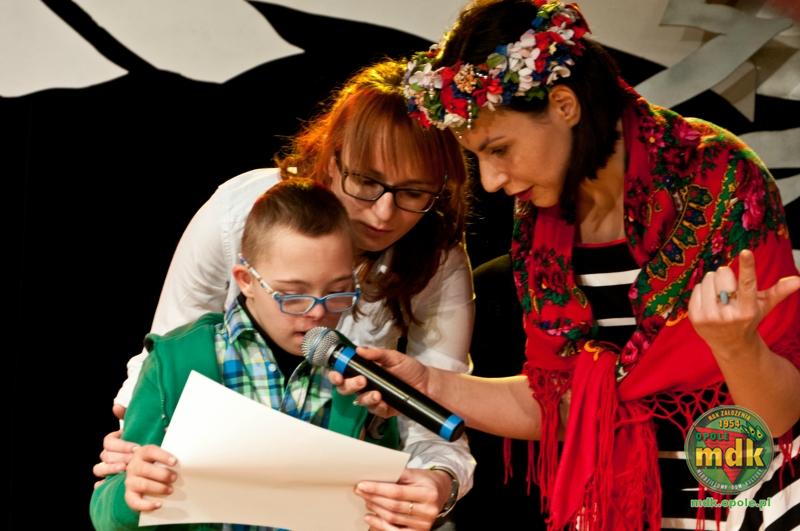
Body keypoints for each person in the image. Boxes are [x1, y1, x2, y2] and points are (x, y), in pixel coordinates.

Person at [337, 1, 800, 530]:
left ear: (564, 105)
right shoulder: (541, 219)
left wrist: (736, 346)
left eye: (499, 149)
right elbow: (557, 405)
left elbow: (779, 414)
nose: (490, 180)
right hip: (621, 504)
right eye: (477, 157)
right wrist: (427, 382)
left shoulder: (718, 176)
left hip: (743, 496)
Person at [93, 59, 475, 530]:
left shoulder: (431, 268)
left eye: (413, 193)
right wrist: (135, 461)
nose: (383, 214)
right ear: (332, 160)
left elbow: (435, 406)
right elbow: (170, 351)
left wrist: (436, 480)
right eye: (366, 182)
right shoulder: (238, 213)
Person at [91, 179, 399, 528]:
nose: (317, 312)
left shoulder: (358, 375)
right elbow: (107, 513)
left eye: (338, 292)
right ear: (246, 280)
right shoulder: (178, 359)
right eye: (292, 295)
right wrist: (131, 495)